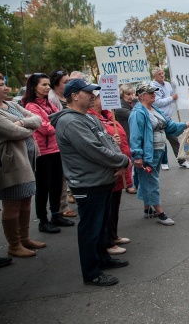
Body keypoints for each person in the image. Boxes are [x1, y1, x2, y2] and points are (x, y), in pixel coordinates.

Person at [49, 78, 130, 286]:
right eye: (88, 92)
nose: (93, 96)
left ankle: (103, 258)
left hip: (102, 180)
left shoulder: (88, 117)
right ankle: (92, 272)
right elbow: (94, 150)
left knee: (101, 227)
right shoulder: (71, 121)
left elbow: (108, 142)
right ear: (74, 95)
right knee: (90, 230)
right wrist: (122, 160)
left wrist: (118, 159)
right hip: (88, 183)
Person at [129, 84, 189, 225]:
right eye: (150, 92)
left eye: (154, 92)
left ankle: (147, 209)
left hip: (158, 151)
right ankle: (159, 212)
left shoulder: (155, 109)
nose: (153, 94)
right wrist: (138, 155)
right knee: (152, 181)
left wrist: (184, 124)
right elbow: (135, 136)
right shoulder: (138, 113)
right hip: (147, 154)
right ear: (141, 96)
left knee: (148, 179)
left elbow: (169, 126)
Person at [0, 72, 46, 259]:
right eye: (1, 85)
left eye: (4, 84)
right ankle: (14, 244)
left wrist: (22, 122)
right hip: (11, 163)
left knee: (26, 198)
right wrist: (26, 126)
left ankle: (25, 238)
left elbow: (37, 120)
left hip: (27, 160)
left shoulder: (10, 105)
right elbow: (14, 132)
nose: (5, 88)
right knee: (12, 203)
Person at [22, 73, 75, 234]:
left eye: (47, 85)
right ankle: (43, 220)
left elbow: (59, 118)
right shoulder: (31, 106)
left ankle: (56, 214)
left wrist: (57, 125)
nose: (46, 88)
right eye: (43, 85)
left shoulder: (49, 103)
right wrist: (59, 126)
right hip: (43, 152)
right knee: (43, 187)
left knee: (56, 185)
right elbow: (44, 127)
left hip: (57, 149)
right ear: (34, 87)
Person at [88, 90, 132, 255]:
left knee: (114, 205)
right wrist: (111, 141)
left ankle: (113, 235)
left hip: (119, 166)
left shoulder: (108, 115)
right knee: (106, 208)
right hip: (108, 169)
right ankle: (106, 241)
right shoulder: (91, 117)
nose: (104, 99)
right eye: (100, 97)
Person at [149, 68, 189, 170]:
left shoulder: (168, 84)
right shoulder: (152, 87)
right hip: (157, 119)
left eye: (162, 73)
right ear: (154, 76)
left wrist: (176, 86)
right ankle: (163, 162)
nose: (162, 75)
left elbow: (174, 94)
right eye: (159, 74)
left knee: (174, 140)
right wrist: (172, 98)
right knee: (161, 142)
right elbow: (158, 102)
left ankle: (182, 161)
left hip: (167, 119)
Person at [47, 69, 77, 218]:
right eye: (65, 82)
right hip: (58, 142)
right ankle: (61, 206)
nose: (68, 84)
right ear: (56, 84)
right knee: (60, 177)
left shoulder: (65, 96)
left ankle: (69, 199)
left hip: (70, 140)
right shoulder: (51, 98)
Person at [115, 83, 138, 194]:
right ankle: (128, 185)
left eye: (132, 93)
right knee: (128, 161)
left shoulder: (132, 103)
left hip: (133, 135)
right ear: (122, 94)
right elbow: (134, 115)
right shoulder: (119, 106)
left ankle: (134, 182)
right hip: (125, 136)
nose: (131, 96)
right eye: (128, 94)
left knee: (135, 161)